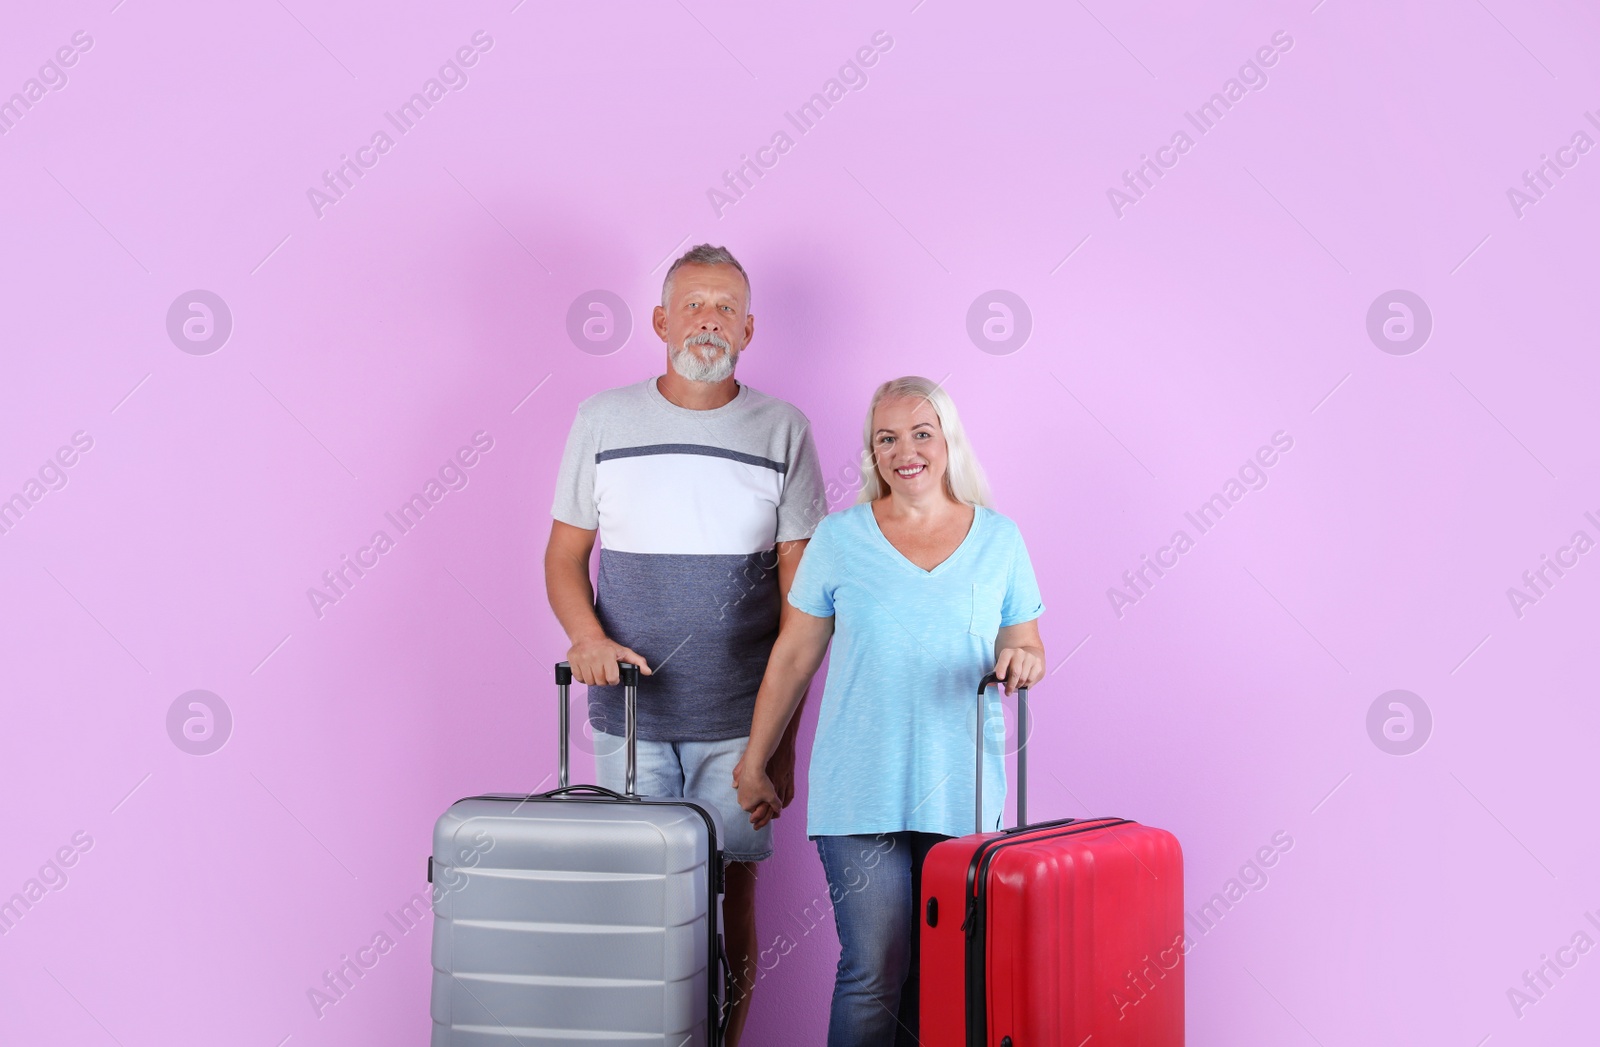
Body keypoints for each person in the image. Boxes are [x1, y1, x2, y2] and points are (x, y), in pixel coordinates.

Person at [545, 244, 826, 1045]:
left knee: (733, 892)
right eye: (694, 304)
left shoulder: (783, 430)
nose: (710, 319)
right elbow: (563, 557)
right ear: (662, 321)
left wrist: (781, 748)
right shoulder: (603, 418)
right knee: (636, 895)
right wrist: (587, 634)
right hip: (627, 717)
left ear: (748, 327)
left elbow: (804, 609)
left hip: (742, 719)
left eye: (726, 306)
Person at [732, 375, 1046, 1046]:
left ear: (948, 441)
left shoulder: (1000, 540)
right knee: (875, 967)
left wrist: (1022, 659)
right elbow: (792, 656)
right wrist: (755, 760)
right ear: (872, 453)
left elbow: (1026, 642)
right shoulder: (840, 539)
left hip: (963, 788)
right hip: (859, 787)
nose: (906, 450)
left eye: (922, 433)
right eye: (887, 438)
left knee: (941, 974)